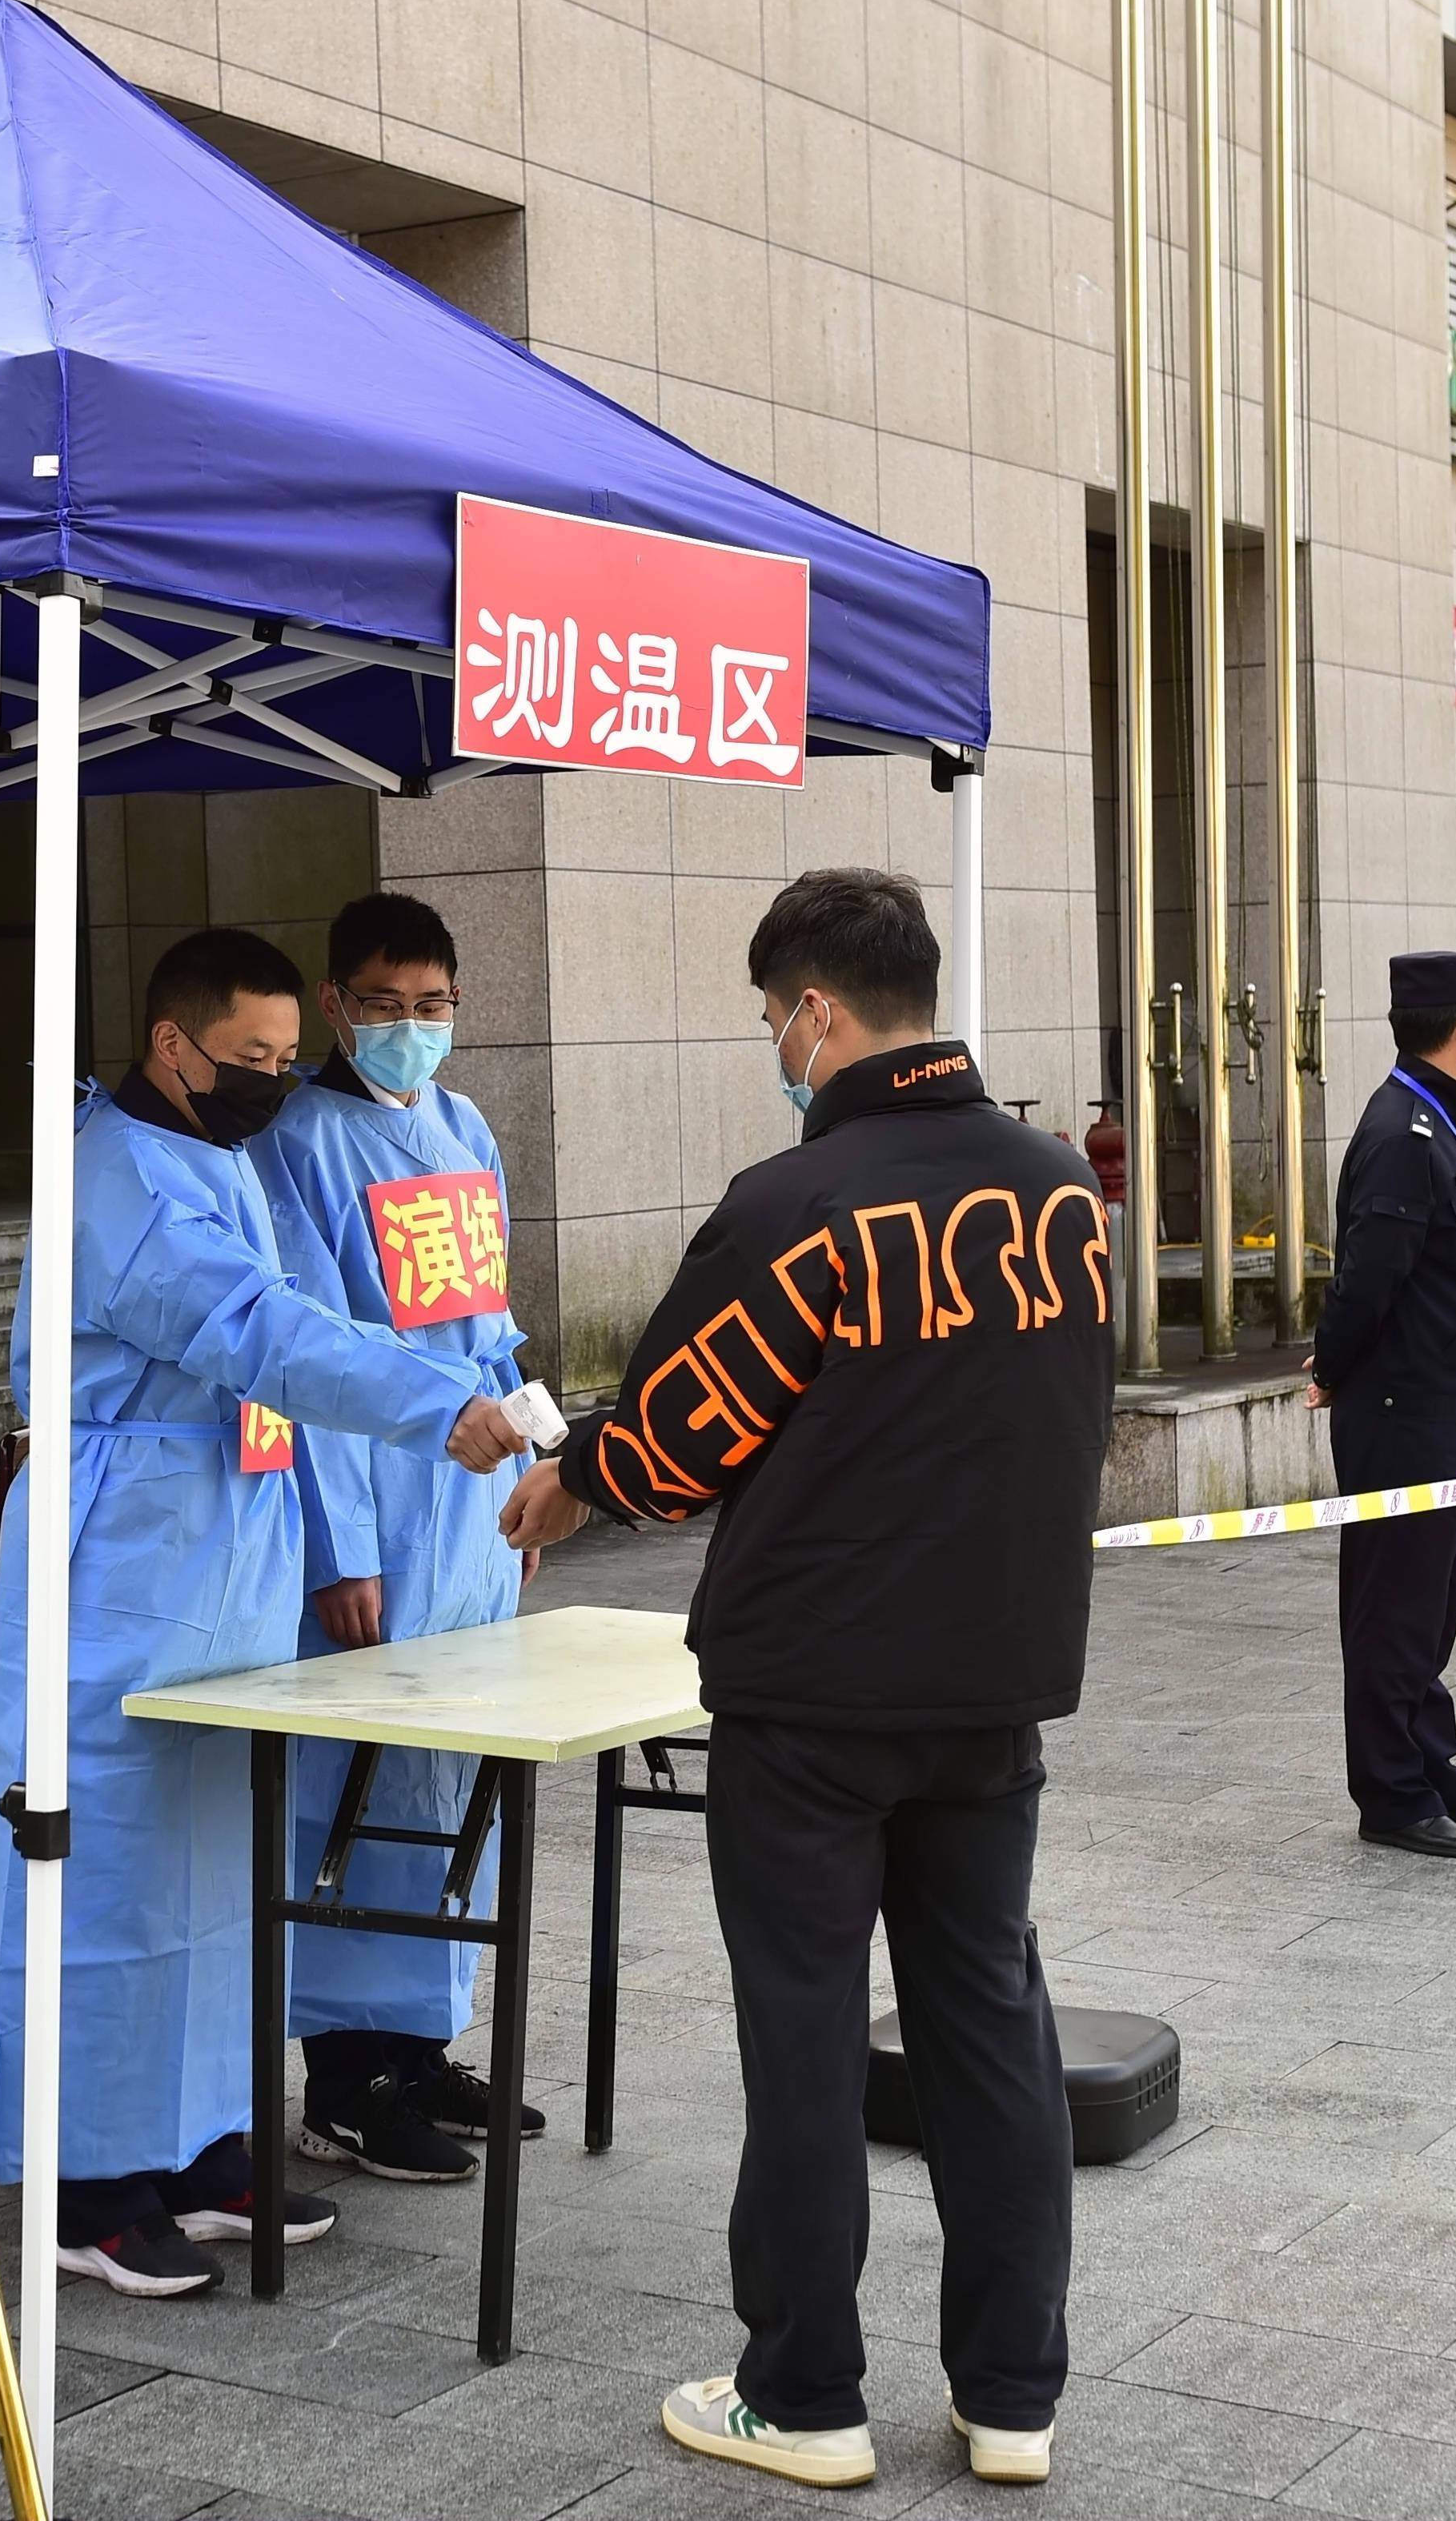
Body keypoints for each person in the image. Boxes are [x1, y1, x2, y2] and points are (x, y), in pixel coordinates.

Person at [500, 869, 1111, 2495]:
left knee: (805, 2034)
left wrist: (572, 1477)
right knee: (989, 2025)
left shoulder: (797, 1201)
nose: (777, 1043)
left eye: (776, 1018)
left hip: (814, 1696)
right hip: (993, 1691)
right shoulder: (1061, 1196)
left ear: (817, 1012)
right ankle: (1010, 2396)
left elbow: (683, 1432)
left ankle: (806, 2393)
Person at [0, 926, 530, 2302]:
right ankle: (83, 2181)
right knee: (102, 1871)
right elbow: (258, 1328)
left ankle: (203, 2146)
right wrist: (431, 1408)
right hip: (128, 1555)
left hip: (222, 1546)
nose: (274, 1083)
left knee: (217, 1865)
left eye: (286, 1060)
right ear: (170, 1042)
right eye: (250, 1058)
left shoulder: (212, 1154)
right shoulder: (120, 1174)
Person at [244, 892, 539, 2186]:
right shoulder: (299, 1143)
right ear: (333, 1005)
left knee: (445, 1787)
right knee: (355, 1792)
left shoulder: (462, 1126)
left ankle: (422, 2044)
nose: (410, 1029)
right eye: (383, 1006)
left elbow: (488, 1326)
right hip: (375, 1511)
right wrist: (337, 1545)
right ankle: (345, 2074)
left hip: (469, 1513)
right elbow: (308, 1359)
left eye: (432, 1008)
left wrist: (534, 1470)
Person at [1305, 953, 1456, 1863]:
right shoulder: (1404, 1132)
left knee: (1429, 1602)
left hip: (1446, 1404)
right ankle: (1391, 1792)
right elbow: (1367, 1277)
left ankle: (1428, 1762)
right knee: (1392, 1604)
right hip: (1404, 1410)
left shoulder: (1437, 1122)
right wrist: (1331, 1361)